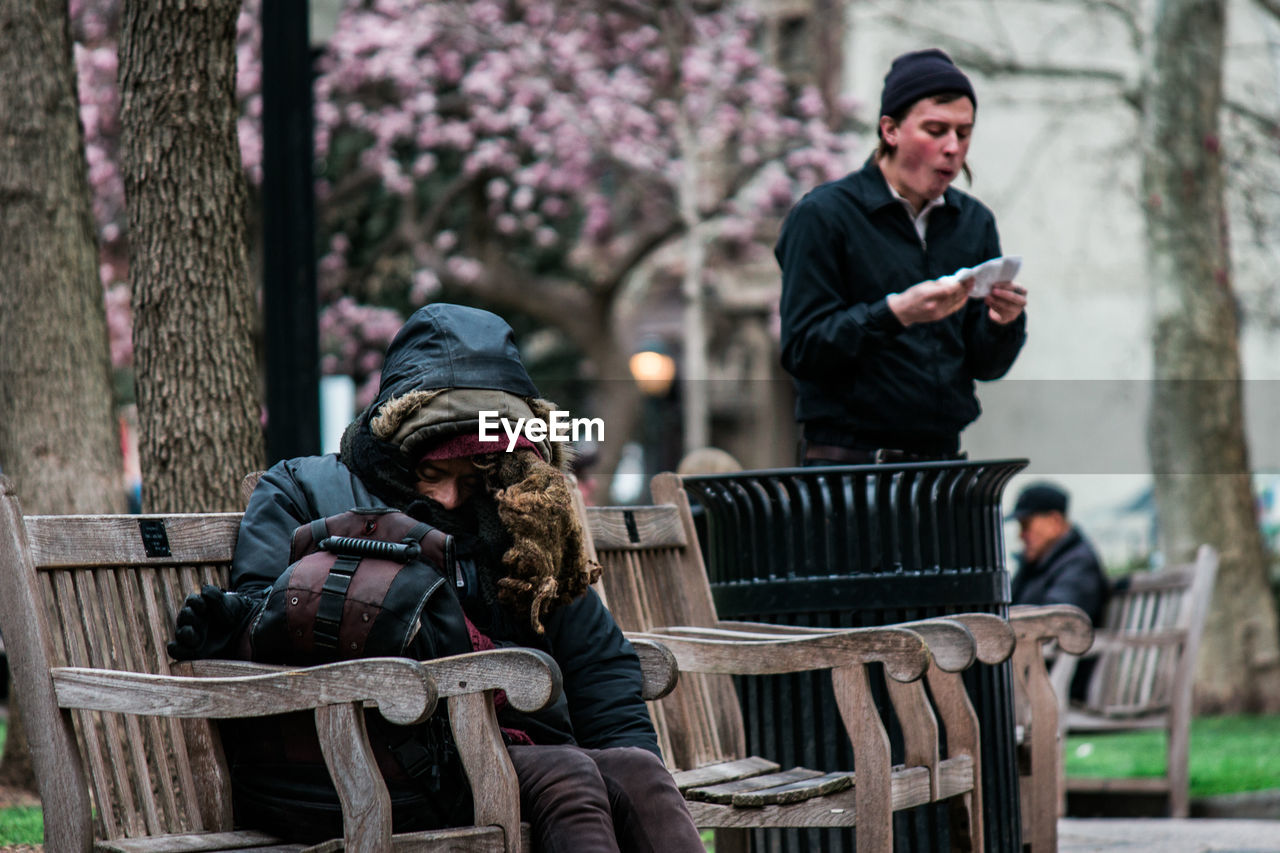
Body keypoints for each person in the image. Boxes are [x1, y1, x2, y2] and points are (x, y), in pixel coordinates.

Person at [169, 303, 704, 852]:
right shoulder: (301, 490)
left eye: (472, 477)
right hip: (354, 765)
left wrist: (631, 767)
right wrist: (233, 616)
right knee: (570, 776)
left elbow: (597, 661)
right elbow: (265, 618)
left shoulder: (521, 512)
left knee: (637, 772)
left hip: (490, 752)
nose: (450, 496)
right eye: (431, 474)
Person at [777, 48, 1028, 465]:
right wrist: (895, 313)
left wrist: (1003, 324)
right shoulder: (824, 215)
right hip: (850, 471)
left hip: (943, 470)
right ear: (890, 130)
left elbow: (986, 366)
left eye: (963, 133)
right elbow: (803, 350)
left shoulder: (974, 222)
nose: (952, 147)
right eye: (935, 130)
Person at [1008, 481, 1110, 699]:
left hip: (1059, 679)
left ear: (1055, 521)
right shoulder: (1039, 564)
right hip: (1035, 670)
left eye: (1026, 526)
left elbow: (1058, 622)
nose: (1021, 536)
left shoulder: (1078, 564)